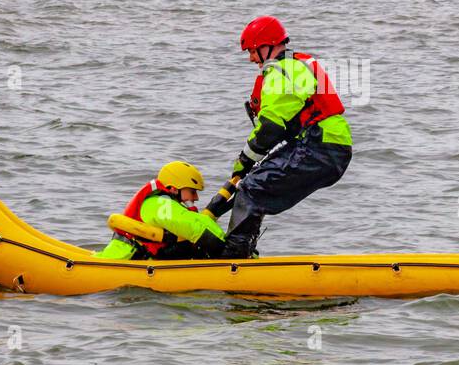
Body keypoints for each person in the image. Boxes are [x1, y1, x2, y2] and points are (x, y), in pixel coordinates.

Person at [219, 16, 353, 258]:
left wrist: (244, 159)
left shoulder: (281, 71)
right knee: (254, 185)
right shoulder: (295, 64)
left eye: (252, 51)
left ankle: (234, 257)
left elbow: (271, 127)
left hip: (320, 145)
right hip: (325, 144)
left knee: (251, 189)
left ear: (266, 46)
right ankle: (244, 252)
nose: (251, 59)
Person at [95, 161, 226, 260]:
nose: (196, 197)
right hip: (122, 259)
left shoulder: (163, 202)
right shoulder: (158, 203)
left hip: (136, 259)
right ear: (174, 189)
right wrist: (224, 246)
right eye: (192, 192)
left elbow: (195, 220)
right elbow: (191, 225)